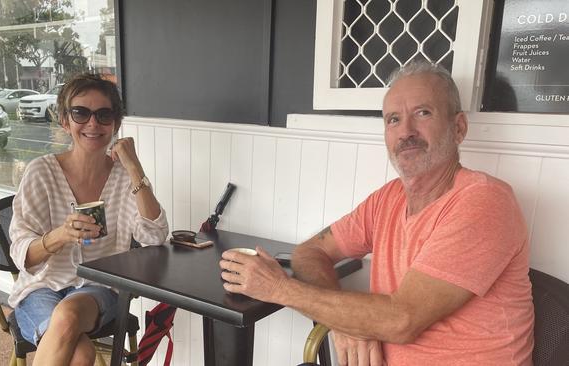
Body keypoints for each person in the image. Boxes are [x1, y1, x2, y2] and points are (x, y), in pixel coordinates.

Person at [219, 61, 534, 366]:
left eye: (422, 113)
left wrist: (278, 288)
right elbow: (309, 252)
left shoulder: (484, 200)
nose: (405, 131)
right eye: (393, 119)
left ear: (458, 128)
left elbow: (402, 319)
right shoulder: (388, 198)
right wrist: (346, 323)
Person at [8, 73, 169, 365]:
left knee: (68, 317)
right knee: (81, 354)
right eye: (81, 113)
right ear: (65, 121)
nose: (93, 124)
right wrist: (61, 235)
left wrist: (134, 168)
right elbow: (23, 256)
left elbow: (154, 235)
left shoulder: (123, 178)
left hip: (99, 288)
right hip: (41, 285)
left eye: (104, 115)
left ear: (115, 124)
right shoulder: (40, 172)